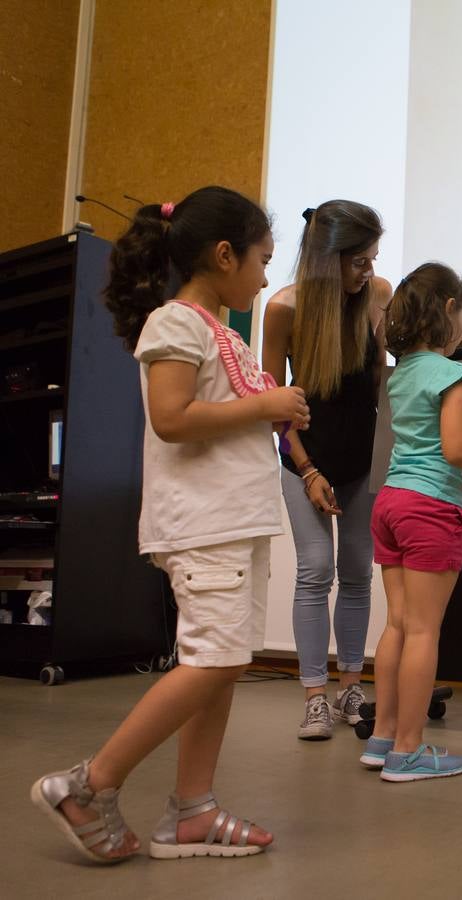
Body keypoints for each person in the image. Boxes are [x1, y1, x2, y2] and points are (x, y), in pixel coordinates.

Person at [31, 186, 307, 860]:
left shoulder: (222, 333)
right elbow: (173, 417)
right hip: (202, 525)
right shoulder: (176, 322)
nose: (267, 276)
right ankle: (89, 785)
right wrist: (263, 403)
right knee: (212, 659)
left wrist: (268, 407)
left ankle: (194, 808)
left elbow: (221, 411)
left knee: (223, 662)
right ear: (222, 255)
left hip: (236, 521)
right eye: (262, 260)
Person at [361, 262, 462, 781]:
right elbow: (456, 450)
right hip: (432, 508)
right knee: (425, 632)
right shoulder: (455, 374)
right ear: (450, 310)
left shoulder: (406, 372)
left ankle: (383, 738)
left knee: (397, 625)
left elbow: (440, 435)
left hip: (391, 503)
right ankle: (409, 752)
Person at [262, 201, 389, 740]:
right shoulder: (283, 308)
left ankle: (352, 687)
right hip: (302, 461)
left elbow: (381, 384)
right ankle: (315, 695)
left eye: (372, 260)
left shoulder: (377, 296)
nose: (369, 272)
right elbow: (271, 406)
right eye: (359, 261)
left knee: (358, 572)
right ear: (326, 259)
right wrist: (309, 471)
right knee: (315, 571)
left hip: (361, 464)